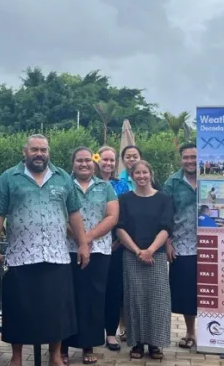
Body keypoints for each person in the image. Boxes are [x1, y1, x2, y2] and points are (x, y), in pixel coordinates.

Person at [0, 134, 90, 366]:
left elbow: (74, 213)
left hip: (56, 255)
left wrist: (83, 244)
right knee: (19, 311)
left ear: (49, 152)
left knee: (56, 312)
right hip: (20, 257)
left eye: (43, 150)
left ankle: (54, 355)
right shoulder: (8, 178)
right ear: (25, 152)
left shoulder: (62, 177)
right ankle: (16, 357)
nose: (39, 154)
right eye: (34, 149)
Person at [61, 147, 119, 365]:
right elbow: (60, 214)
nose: (84, 164)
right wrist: (79, 238)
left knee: (94, 298)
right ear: (73, 163)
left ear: (93, 163)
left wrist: (87, 238)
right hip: (67, 249)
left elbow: (112, 216)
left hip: (99, 250)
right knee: (68, 297)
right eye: (79, 161)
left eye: (87, 160)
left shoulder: (105, 187)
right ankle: (63, 347)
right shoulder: (64, 185)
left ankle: (88, 346)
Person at [116, 160, 173, 360]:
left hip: (155, 256)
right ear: (131, 176)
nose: (141, 176)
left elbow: (166, 228)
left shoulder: (164, 199)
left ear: (151, 173)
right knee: (135, 300)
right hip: (132, 256)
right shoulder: (124, 199)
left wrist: (150, 250)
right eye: (137, 173)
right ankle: (137, 343)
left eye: (144, 172)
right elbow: (120, 228)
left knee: (157, 300)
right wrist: (138, 251)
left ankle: (156, 343)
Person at [163, 142, 199, 350]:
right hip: (182, 245)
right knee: (186, 292)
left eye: (193, 157)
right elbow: (165, 215)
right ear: (180, 159)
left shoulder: (211, 177)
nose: (190, 161)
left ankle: (218, 332)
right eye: (186, 157)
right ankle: (190, 331)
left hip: (211, 245)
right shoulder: (172, 183)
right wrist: (168, 242)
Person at [97, 146, 133, 350]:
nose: (108, 163)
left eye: (112, 160)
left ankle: (111, 333)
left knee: (113, 290)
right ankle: (91, 333)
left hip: (116, 245)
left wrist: (116, 242)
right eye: (105, 159)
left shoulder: (122, 188)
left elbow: (126, 218)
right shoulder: (88, 182)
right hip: (89, 243)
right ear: (97, 160)